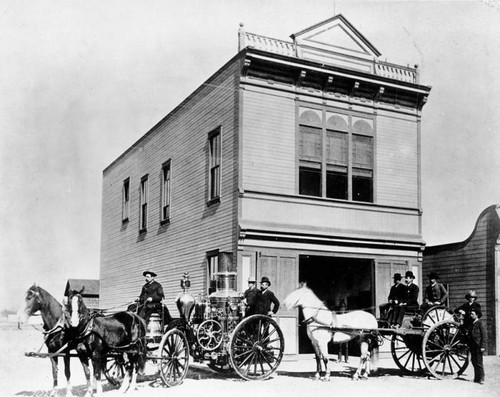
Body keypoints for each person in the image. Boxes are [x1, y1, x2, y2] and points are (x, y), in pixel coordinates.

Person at [467, 308, 487, 384]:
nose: (471, 315)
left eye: (472, 314)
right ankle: (476, 378)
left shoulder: (480, 323)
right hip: (472, 346)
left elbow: (484, 336)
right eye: (471, 314)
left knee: (479, 362)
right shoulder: (472, 323)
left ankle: (481, 378)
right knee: (474, 361)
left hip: (478, 346)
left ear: (477, 315)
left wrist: (483, 346)